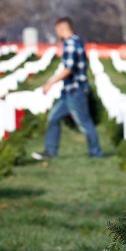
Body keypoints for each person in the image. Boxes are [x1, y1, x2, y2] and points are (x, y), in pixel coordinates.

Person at [33, 17, 103, 160]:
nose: (57, 34)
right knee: (53, 118)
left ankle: (96, 153)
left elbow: (68, 69)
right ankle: (50, 151)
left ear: (62, 29)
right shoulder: (76, 41)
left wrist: (50, 83)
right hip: (69, 91)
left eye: (57, 30)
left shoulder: (70, 44)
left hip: (75, 90)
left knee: (84, 123)